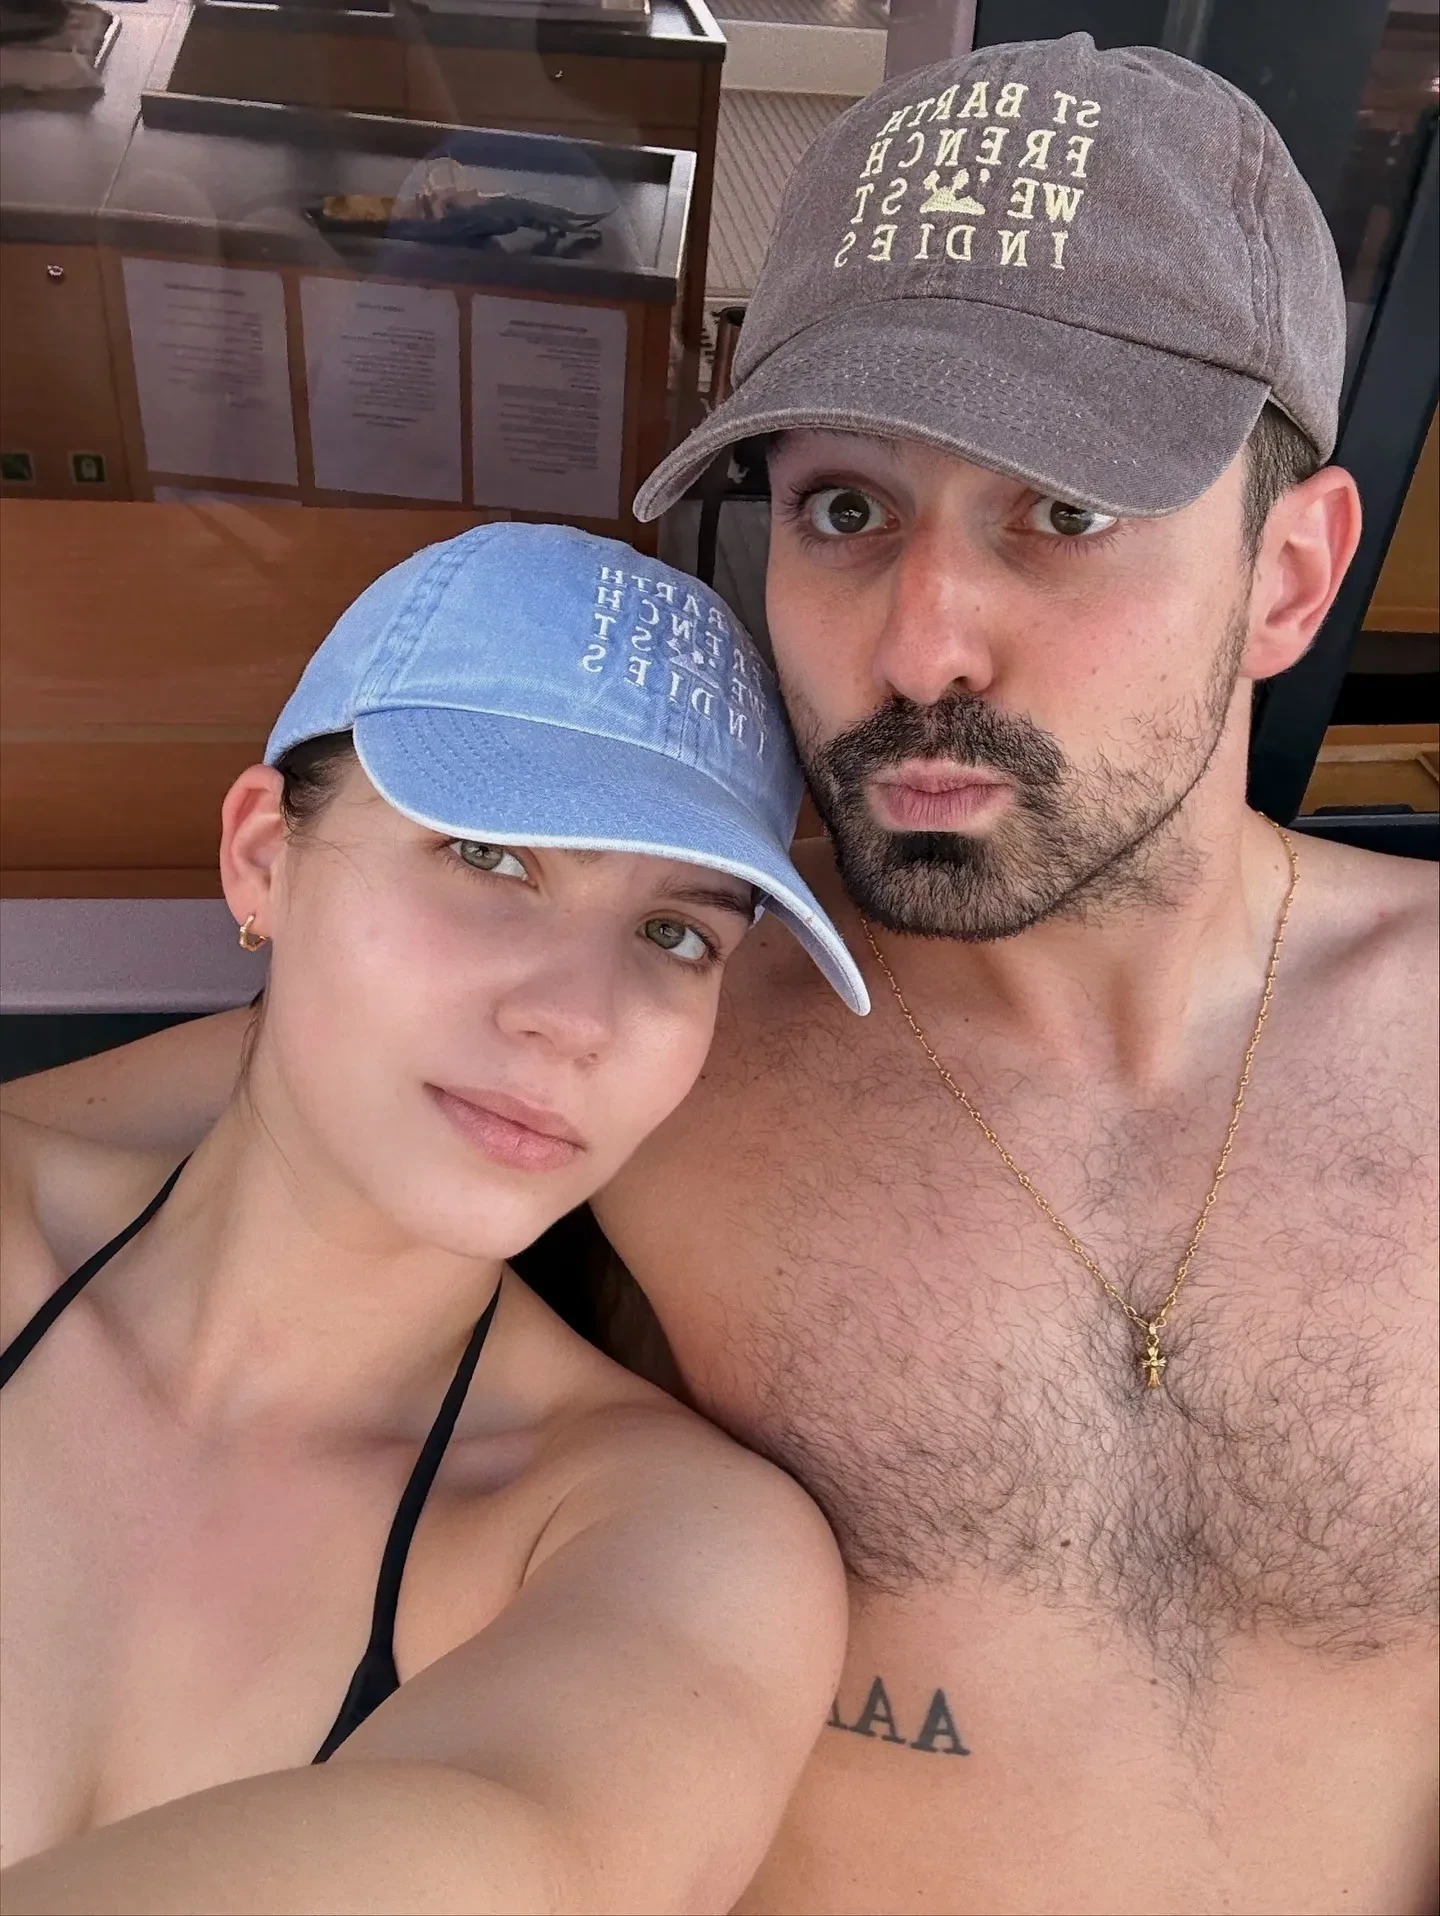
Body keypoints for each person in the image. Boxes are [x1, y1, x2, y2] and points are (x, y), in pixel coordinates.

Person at [6, 33, 1437, 1916]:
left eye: (1065, 514)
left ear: (1290, 576)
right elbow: (281, 1083)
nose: (923, 643)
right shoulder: (663, 1036)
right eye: (845, 508)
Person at [0, 523, 867, 1915]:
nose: (575, 1018)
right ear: (263, 859)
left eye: (676, 935)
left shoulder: (663, 1542)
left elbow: (540, 1851)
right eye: (487, 855)